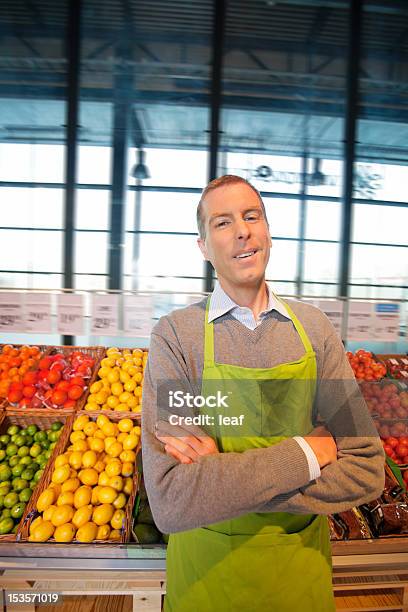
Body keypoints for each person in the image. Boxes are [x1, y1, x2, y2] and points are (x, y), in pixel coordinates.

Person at [141, 175, 385, 612]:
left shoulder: (314, 330)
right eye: (222, 222)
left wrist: (219, 480)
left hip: (298, 575)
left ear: (267, 231)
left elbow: (366, 467)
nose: (241, 230)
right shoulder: (176, 338)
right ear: (203, 246)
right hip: (206, 579)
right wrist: (308, 454)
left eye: (252, 216)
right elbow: (174, 500)